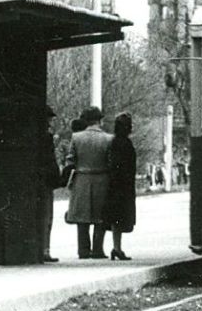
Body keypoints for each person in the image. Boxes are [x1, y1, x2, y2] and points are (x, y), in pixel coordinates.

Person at [64, 106, 112, 259]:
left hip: (82, 179)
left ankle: (83, 250)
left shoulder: (76, 138)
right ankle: (98, 249)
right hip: (102, 179)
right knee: (100, 216)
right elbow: (111, 162)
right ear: (100, 121)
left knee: (82, 218)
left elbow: (70, 160)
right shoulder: (108, 139)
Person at [103, 113, 137, 261]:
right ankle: (117, 248)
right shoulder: (126, 144)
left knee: (115, 218)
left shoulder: (113, 142)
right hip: (124, 185)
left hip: (114, 184)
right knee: (121, 216)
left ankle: (116, 248)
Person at [36, 107, 62, 263]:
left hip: (36, 180)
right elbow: (50, 160)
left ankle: (40, 249)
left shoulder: (32, 137)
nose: (51, 122)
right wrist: (56, 178)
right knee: (46, 216)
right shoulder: (46, 138)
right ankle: (45, 249)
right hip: (45, 181)